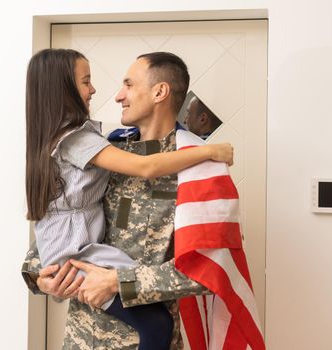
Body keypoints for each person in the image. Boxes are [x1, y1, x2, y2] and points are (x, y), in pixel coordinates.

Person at [24, 49, 233, 350]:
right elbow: (64, 219)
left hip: (148, 338)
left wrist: (118, 281)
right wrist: (39, 276)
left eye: (129, 85)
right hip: (84, 339)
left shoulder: (200, 170)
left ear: (160, 91)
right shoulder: (109, 152)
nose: (118, 96)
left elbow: (209, 269)